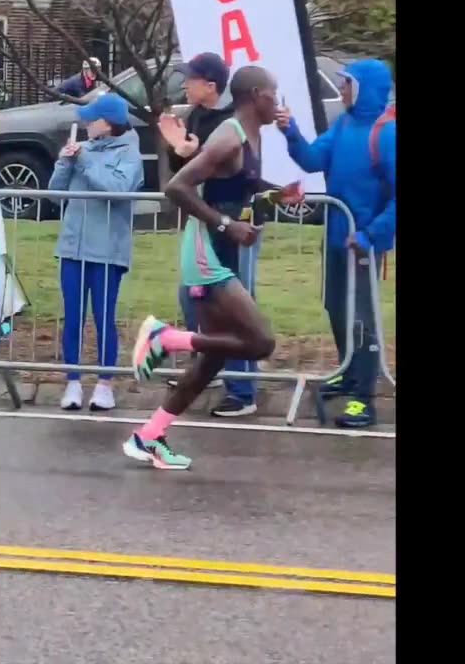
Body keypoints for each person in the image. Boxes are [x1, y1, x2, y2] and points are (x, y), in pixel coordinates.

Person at [123, 66, 304, 470]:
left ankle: (148, 436)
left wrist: (277, 196)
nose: (277, 102)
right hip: (208, 253)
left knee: (211, 361)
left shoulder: (251, 136)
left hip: (223, 251)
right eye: (273, 94)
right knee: (260, 343)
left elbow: (238, 189)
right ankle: (164, 337)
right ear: (257, 95)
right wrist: (226, 225)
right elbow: (178, 188)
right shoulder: (228, 135)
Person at [277, 59, 396, 428]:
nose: (341, 90)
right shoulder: (344, 123)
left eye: (346, 84)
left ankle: (364, 400)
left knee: (362, 318)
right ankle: (348, 372)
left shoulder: (388, 132)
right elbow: (313, 159)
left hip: (363, 243)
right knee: (335, 307)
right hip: (335, 237)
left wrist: (371, 234)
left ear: (364, 88)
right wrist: (291, 131)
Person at [157, 53, 248, 411]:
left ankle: (242, 390)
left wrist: (192, 153)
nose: (184, 85)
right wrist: (179, 151)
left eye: (190, 79)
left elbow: (227, 170)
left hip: (226, 220)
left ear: (210, 85)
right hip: (202, 220)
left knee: (232, 307)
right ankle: (207, 371)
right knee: (194, 300)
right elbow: (185, 175)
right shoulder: (194, 116)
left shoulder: (230, 123)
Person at [48, 93, 143, 411]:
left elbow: (117, 190)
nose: (87, 124)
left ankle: (105, 384)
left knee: (105, 318)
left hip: (107, 251)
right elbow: (54, 193)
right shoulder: (83, 150)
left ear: (108, 123)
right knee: (72, 316)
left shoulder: (130, 154)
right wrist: (65, 160)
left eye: (92, 118)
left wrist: (83, 162)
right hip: (73, 247)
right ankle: (72, 382)